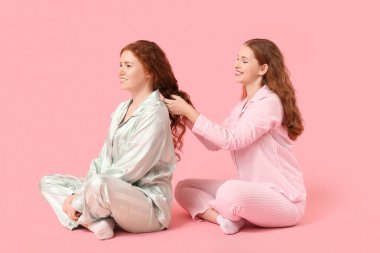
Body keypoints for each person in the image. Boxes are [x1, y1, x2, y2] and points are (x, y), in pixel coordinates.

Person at [40, 40, 192, 240]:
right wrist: (84, 189)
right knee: (49, 182)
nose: (120, 71)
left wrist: (80, 199)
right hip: (114, 194)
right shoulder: (122, 108)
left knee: (98, 184)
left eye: (128, 66)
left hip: (147, 206)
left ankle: (89, 216)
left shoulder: (155, 113)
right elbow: (104, 157)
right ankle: (96, 220)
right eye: (120, 65)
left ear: (148, 72)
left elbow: (132, 167)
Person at [164, 38, 307, 235]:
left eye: (244, 61)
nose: (236, 64)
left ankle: (231, 208)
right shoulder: (242, 106)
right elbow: (214, 143)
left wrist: (190, 112)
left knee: (230, 191)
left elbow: (231, 140)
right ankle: (224, 219)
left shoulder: (268, 103)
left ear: (262, 68)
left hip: (284, 201)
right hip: (252, 191)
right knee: (183, 187)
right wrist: (187, 116)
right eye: (237, 59)